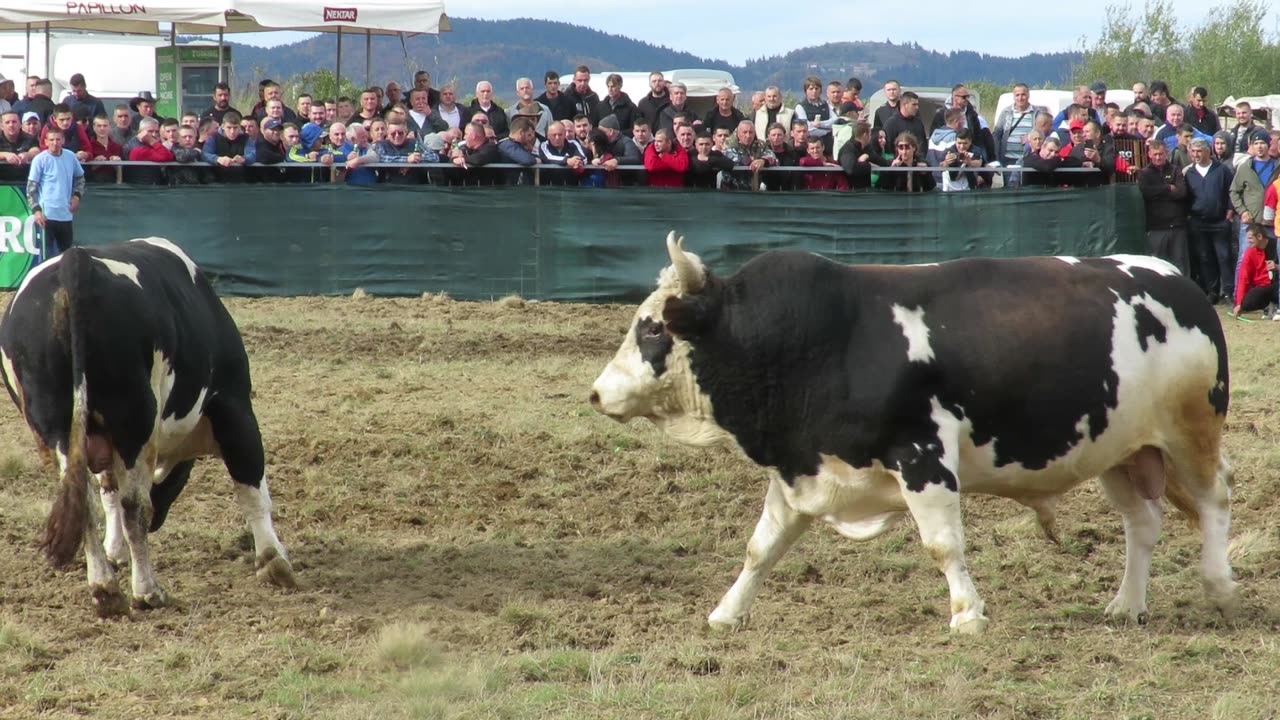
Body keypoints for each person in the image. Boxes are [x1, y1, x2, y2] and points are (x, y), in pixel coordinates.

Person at [25, 125, 85, 258]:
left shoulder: (70, 156)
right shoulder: (40, 159)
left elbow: (80, 178)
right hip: (47, 216)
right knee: (46, 257)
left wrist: (76, 196)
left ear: (63, 140)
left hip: (66, 215)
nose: (55, 143)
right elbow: (31, 189)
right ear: (46, 141)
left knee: (67, 256)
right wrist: (36, 210)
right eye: (51, 140)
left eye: (58, 139)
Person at [1139, 140, 1189, 276]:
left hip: (1177, 225)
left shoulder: (1175, 170)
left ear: (1166, 153)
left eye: (1161, 154)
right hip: (1156, 227)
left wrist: (1158, 193)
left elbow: (1181, 192)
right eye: (1155, 154)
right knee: (1156, 264)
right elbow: (1146, 192)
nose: (1158, 157)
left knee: (1179, 264)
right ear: (1149, 154)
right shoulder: (1144, 173)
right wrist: (1168, 188)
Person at [1231, 224, 1276, 319]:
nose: (1248, 241)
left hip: (1277, 284)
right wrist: (1239, 303)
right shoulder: (1249, 252)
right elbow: (1243, 278)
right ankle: (1268, 306)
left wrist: (1277, 267)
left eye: (1250, 238)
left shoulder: (1276, 246)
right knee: (1246, 303)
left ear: (1259, 236)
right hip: (1262, 287)